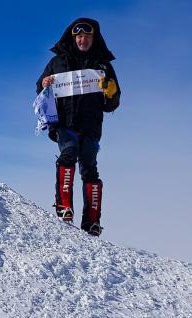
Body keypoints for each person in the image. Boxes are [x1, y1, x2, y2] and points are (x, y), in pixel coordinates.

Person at [36, 18, 121, 236]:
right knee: (68, 152)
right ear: (73, 38)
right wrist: (44, 84)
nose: (83, 40)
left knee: (89, 169)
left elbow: (111, 103)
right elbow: (40, 88)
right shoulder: (58, 62)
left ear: (94, 38)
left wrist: (110, 91)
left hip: (91, 126)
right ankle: (64, 206)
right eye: (79, 36)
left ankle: (91, 222)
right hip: (65, 123)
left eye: (87, 36)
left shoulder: (102, 66)